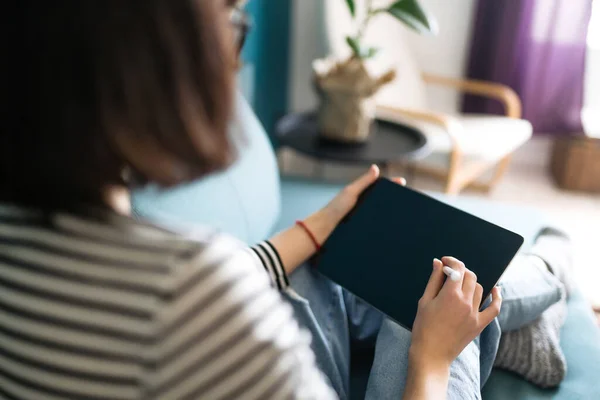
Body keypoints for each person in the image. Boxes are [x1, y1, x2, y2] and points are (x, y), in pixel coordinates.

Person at [1, 1, 563, 399]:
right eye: (229, 24)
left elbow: (210, 287)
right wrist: (432, 361)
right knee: (425, 297)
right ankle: (546, 279)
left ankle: (507, 303)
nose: (232, 55)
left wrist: (320, 224)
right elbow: (192, 297)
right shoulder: (184, 288)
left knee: (398, 272)